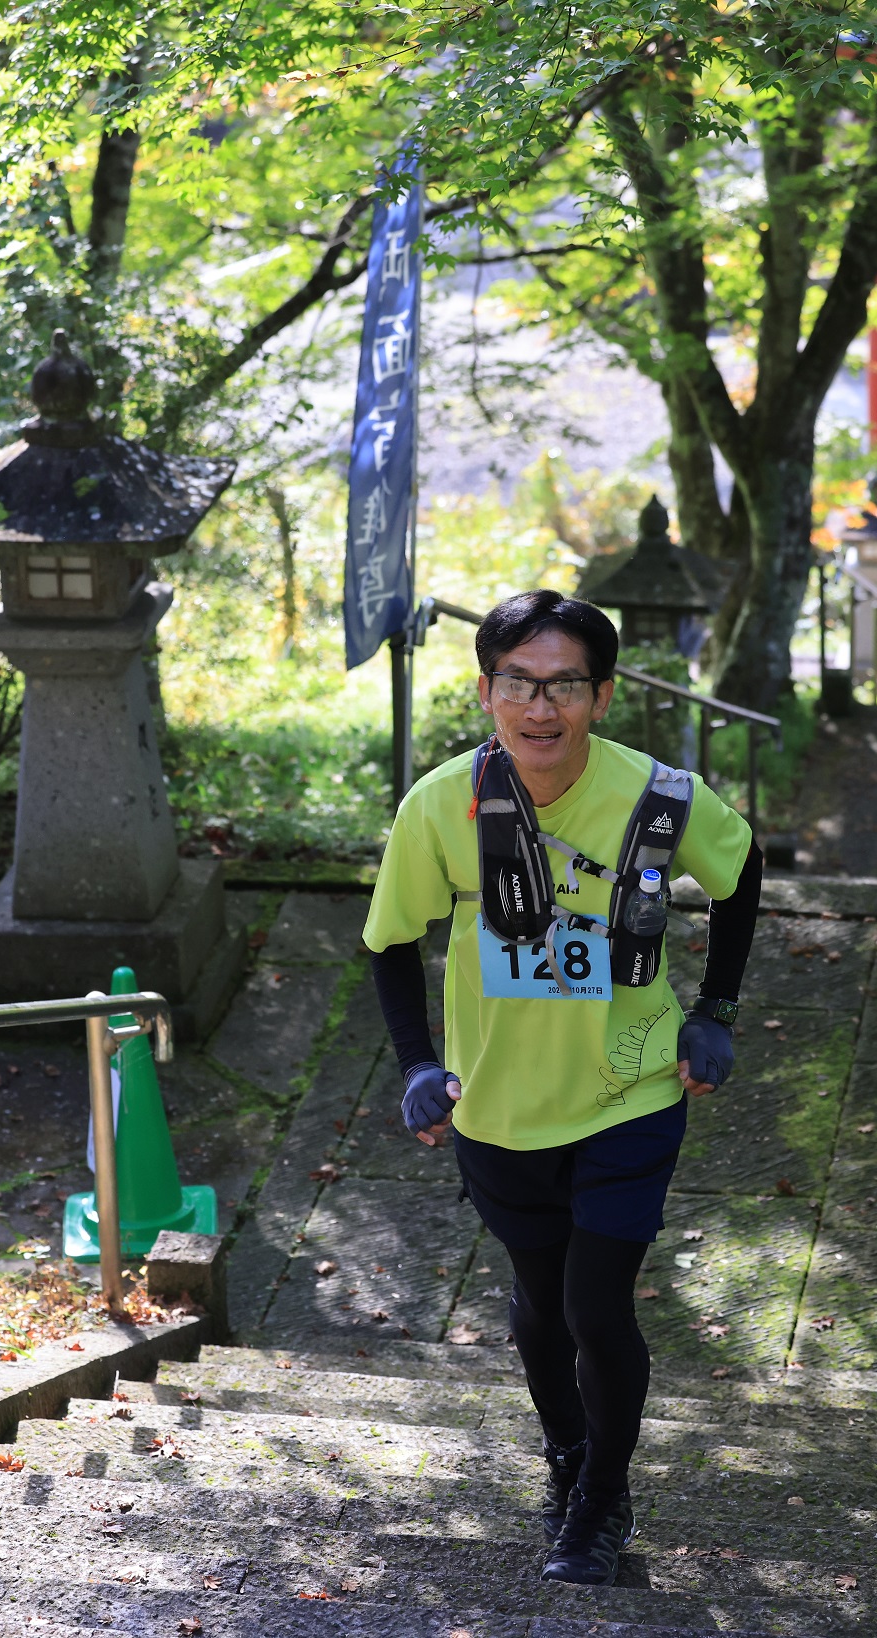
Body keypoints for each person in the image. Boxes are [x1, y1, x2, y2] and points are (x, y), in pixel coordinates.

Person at [360, 590, 761, 1586]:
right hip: (497, 1107)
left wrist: (714, 1008)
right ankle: (566, 1453)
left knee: (594, 1307)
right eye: (520, 685)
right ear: (487, 689)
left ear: (603, 694)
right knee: (538, 1307)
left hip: (628, 1094)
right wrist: (417, 1062)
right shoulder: (440, 805)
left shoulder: (658, 795)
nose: (541, 708)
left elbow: (738, 871)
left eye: (565, 686)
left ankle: (597, 1501)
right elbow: (388, 938)